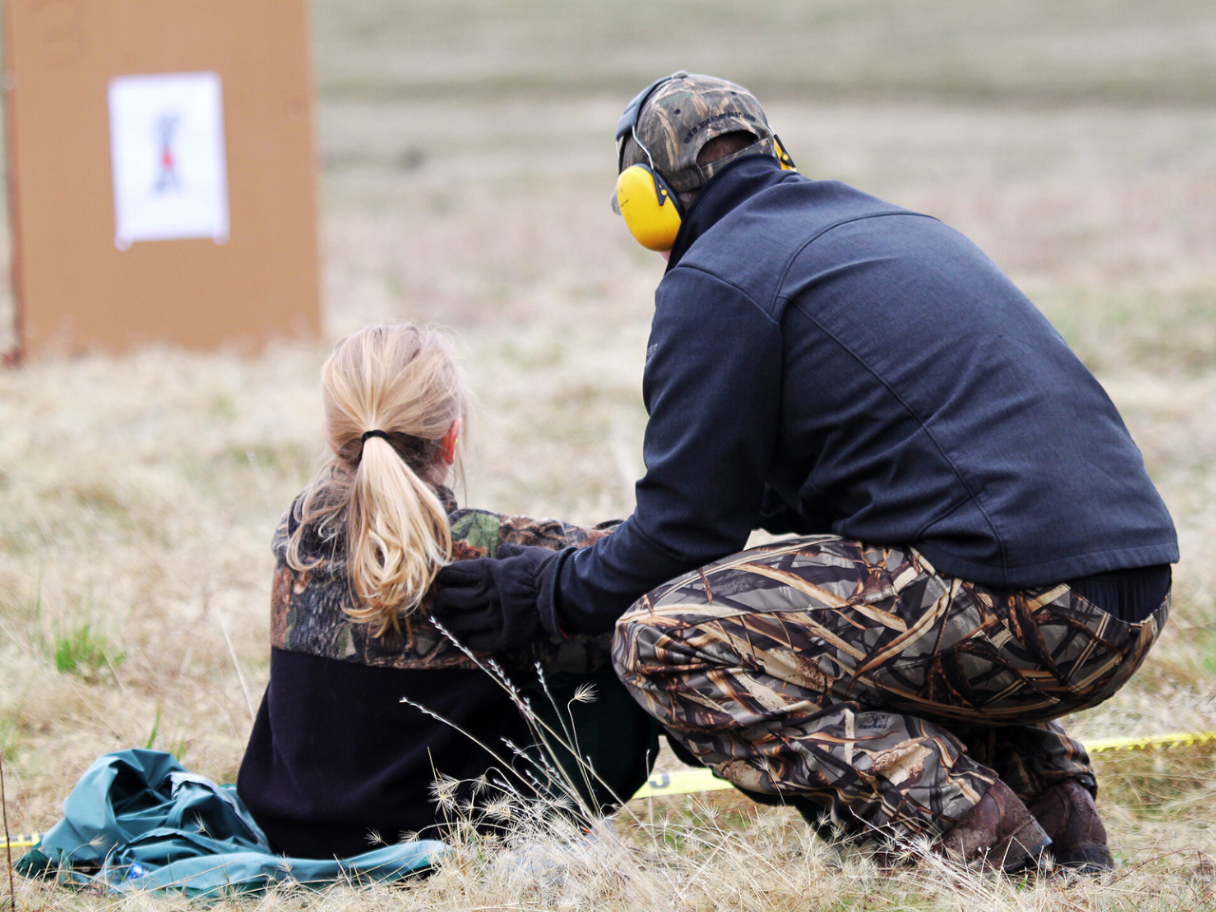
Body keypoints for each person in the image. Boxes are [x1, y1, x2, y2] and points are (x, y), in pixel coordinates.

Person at [430, 73, 1178, 873]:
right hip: (1127, 598)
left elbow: (685, 533)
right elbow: (783, 497)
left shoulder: (717, 278)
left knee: (669, 638)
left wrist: (538, 594)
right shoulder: (881, 227)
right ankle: (1056, 814)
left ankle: (978, 832)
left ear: (647, 197)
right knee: (821, 618)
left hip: (1020, 597)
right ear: (774, 155)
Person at [237, 324, 659, 859]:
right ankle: (554, 824)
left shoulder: (296, 532)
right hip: (456, 837)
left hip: (293, 831)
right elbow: (636, 564)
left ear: (332, 435)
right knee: (617, 620)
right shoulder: (493, 547)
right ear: (451, 438)